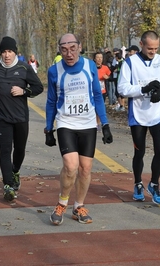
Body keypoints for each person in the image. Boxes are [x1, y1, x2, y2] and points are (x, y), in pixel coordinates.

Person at [46, 33, 113, 225]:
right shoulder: (54, 71)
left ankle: (78, 206)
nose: (69, 54)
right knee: (70, 166)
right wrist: (48, 128)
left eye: (72, 49)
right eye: (64, 50)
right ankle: (61, 202)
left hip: (88, 123)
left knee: (85, 169)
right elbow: (51, 101)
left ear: (80, 47)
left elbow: (97, 96)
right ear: (59, 50)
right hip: (66, 123)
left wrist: (106, 124)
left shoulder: (90, 66)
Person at [117, 30, 160, 204]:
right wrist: (143, 90)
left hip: (158, 114)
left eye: (156, 48)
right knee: (140, 151)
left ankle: (154, 183)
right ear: (141, 44)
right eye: (150, 48)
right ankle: (138, 183)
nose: (153, 51)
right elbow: (122, 89)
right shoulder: (130, 63)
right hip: (138, 115)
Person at [0, 36, 44, 201]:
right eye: (4, 52)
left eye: (10, 51)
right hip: (1, 117)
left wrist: (24, 91)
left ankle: (15, 171)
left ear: (15, 52)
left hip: (21, 117)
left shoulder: (24, 67)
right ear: (0, 53)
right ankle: (8, 185)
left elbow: (38, 87)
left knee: (19, 149)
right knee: (5, 150)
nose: (6, 55)